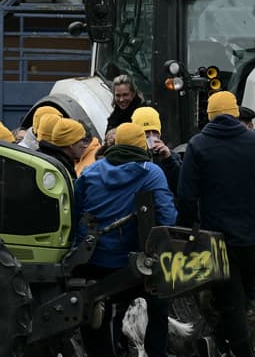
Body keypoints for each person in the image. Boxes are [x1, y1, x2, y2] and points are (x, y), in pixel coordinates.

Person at [178, 91, 255, 357]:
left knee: (227, 300)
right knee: (245, 299)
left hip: (215, 238)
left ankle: (232, 349)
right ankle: (236, 347)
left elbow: (186, 195)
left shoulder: (198, 145)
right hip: (253, 237)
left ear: (209, 115)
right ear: (236, 113)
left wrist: (187, 230)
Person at [73, 122, 177, 357]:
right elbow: (167, 217)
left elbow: (75, 213)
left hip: (95, 260)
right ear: (142, 145)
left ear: (116, 144)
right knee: (159, 305)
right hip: (137, 264)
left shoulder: (90, 172)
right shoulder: (151, 172)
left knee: (101, 315)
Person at [131, 106, 182, 209]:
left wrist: (168, 160)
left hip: (164, 213)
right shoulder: (129, 158)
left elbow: (181, 188)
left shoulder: (171, 156)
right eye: (146, 133)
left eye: (154, 132)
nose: (151, 137)